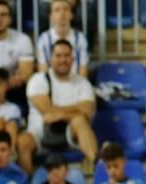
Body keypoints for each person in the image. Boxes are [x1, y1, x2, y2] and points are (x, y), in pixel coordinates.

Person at [25, 39, 96, 169]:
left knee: (80, 121)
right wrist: (76, 109)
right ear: (51, 59)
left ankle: (98, 165)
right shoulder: (38, 80)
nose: (63, 60)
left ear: (73, 59)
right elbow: (47, 112)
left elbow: (87, 112)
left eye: (67, 56)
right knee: (23, 141)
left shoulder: (83, 83)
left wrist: (58, 112)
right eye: (58, 56)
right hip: (39, 132)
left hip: (70, 133)